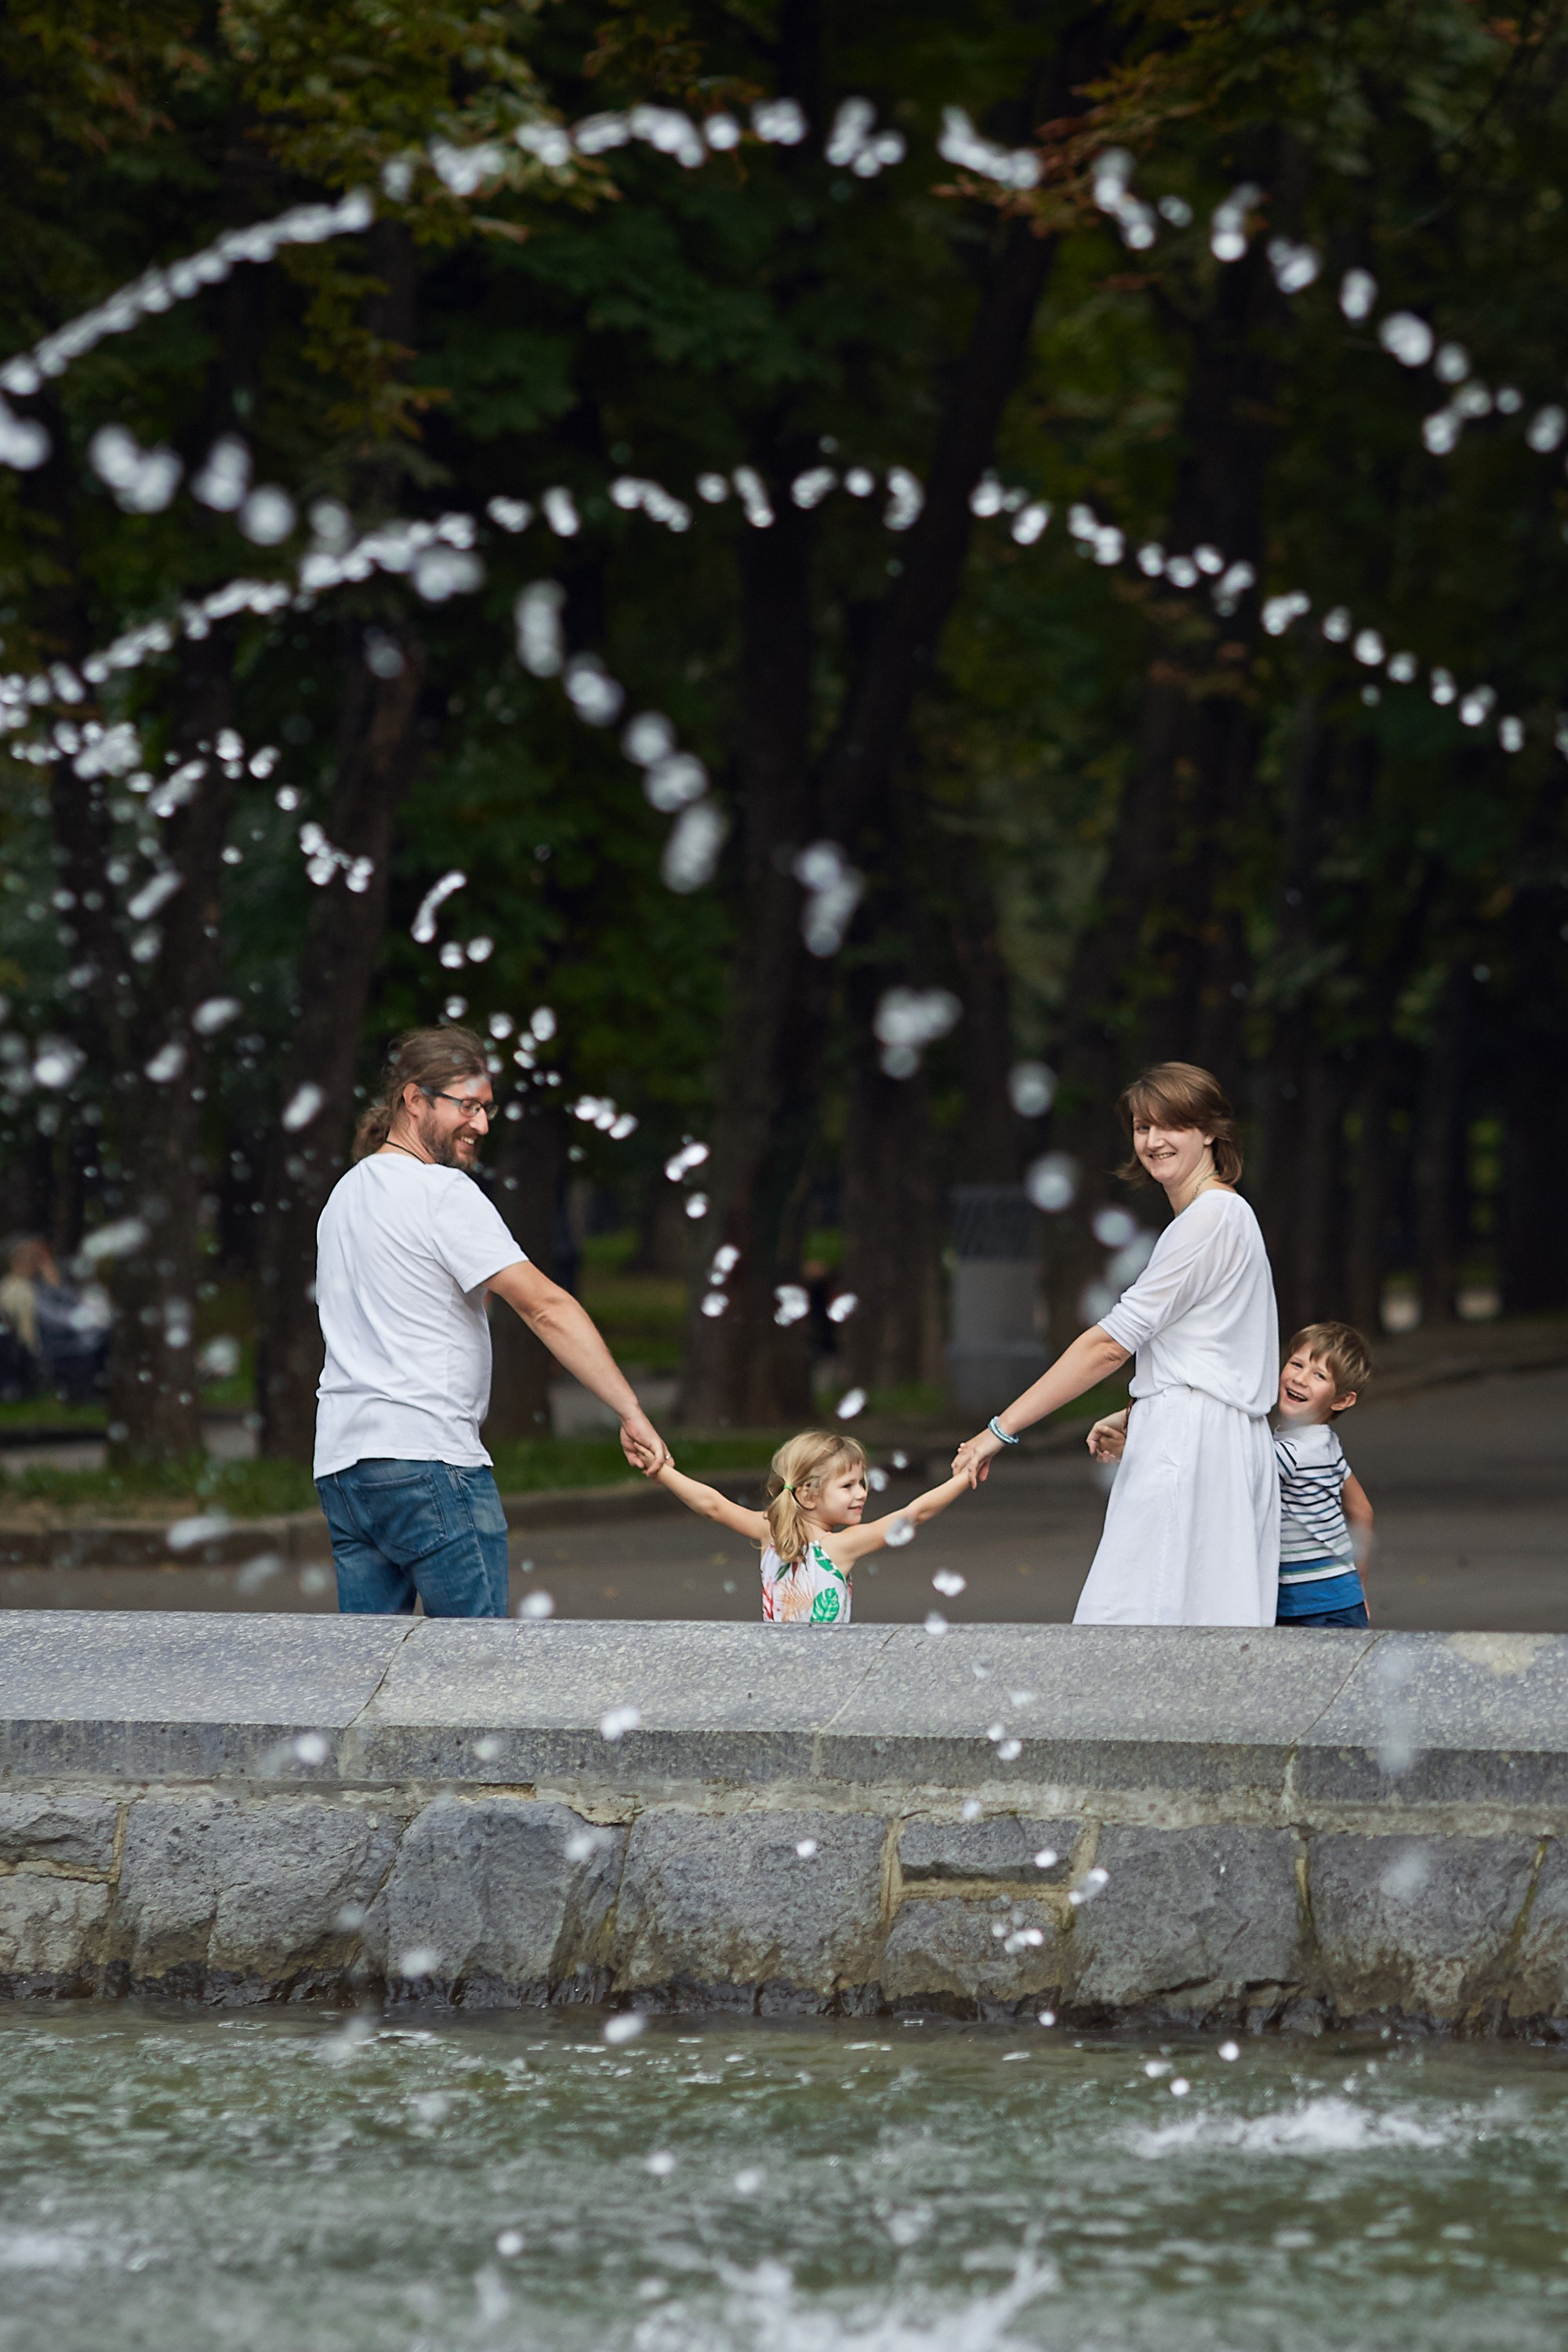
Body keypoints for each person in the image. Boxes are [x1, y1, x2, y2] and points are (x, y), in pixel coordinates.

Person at [314, 1025, 671, 1618]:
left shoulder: (343, 1197)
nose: (481, 1124)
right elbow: (545, 1306)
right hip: (429, 1460)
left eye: (487, 1109)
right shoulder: (439, 1192)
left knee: (371, 1667)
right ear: (414, 1099)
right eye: (467, 1106)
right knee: (476, 1666)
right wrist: (630, 1410)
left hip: (345, 1468)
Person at [953, 1062, 1280, 1628]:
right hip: (1213, 1439)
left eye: (1170, 1125)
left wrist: (999, 1430)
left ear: (1210, 1131)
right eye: (1141, 1126)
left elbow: (1108, 1345)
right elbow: (1212, 1350)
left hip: (1194, 1445)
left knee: (1129, 1630)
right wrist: (1140, 1410)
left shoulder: (1209, 1221)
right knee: (1199, 1632)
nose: (1152, 1141)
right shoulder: (1226, 1216)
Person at [655, 1428, 973, 1624]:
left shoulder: (771, 1532)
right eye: (848, 1486)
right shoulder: (839, 1547)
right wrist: (964, 1477)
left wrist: (659, 1470)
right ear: (808, 1495)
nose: (862, 1493)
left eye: (861, 1483)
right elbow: (915, 1514)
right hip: (827, 1677)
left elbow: (712, 1505)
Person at [1272, 1322, 1375, 1628]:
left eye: (1319, 1375)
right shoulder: (1325, 1441)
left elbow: (1231, 1469)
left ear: (1342, 1400)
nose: (1300, 1379)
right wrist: (1358, 1585)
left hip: (1311, 1607)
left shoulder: (1293, 1452)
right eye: (1296, 1364)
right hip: (1341, 1598)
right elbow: (1362, 1511)